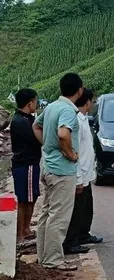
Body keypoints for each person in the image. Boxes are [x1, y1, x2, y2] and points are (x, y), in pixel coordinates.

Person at [33, 73, 83, 271]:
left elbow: (36, 126)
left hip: (47, 165)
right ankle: (53, 260)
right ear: (79, 90)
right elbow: (64, 133)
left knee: (47, 213)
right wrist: (70, 153)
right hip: (62, 170)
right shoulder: (68, 110)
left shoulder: (52, 106)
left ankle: (43, 256)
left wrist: (48, 146)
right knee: (59, 216)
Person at [63, 88, 103, 254]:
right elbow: (74, 149)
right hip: (80, 173)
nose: (92, 104)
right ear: (87, 102)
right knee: (77, 210)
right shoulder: (76, 122)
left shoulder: (85, 119)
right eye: (91, 101)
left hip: (87, 172)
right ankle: (71, 241)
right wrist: (78, 177)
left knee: (86, 207)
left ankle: (83, 233)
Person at [10, 88, 42, 247]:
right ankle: (20, 233)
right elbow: (37, 140)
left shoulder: (25, 119)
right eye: (35, 102)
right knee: (24, 200)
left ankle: (26, 229)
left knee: (32, 197)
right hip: (26, 164)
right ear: (30, 103)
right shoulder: (21, 122)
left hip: (29, 164)